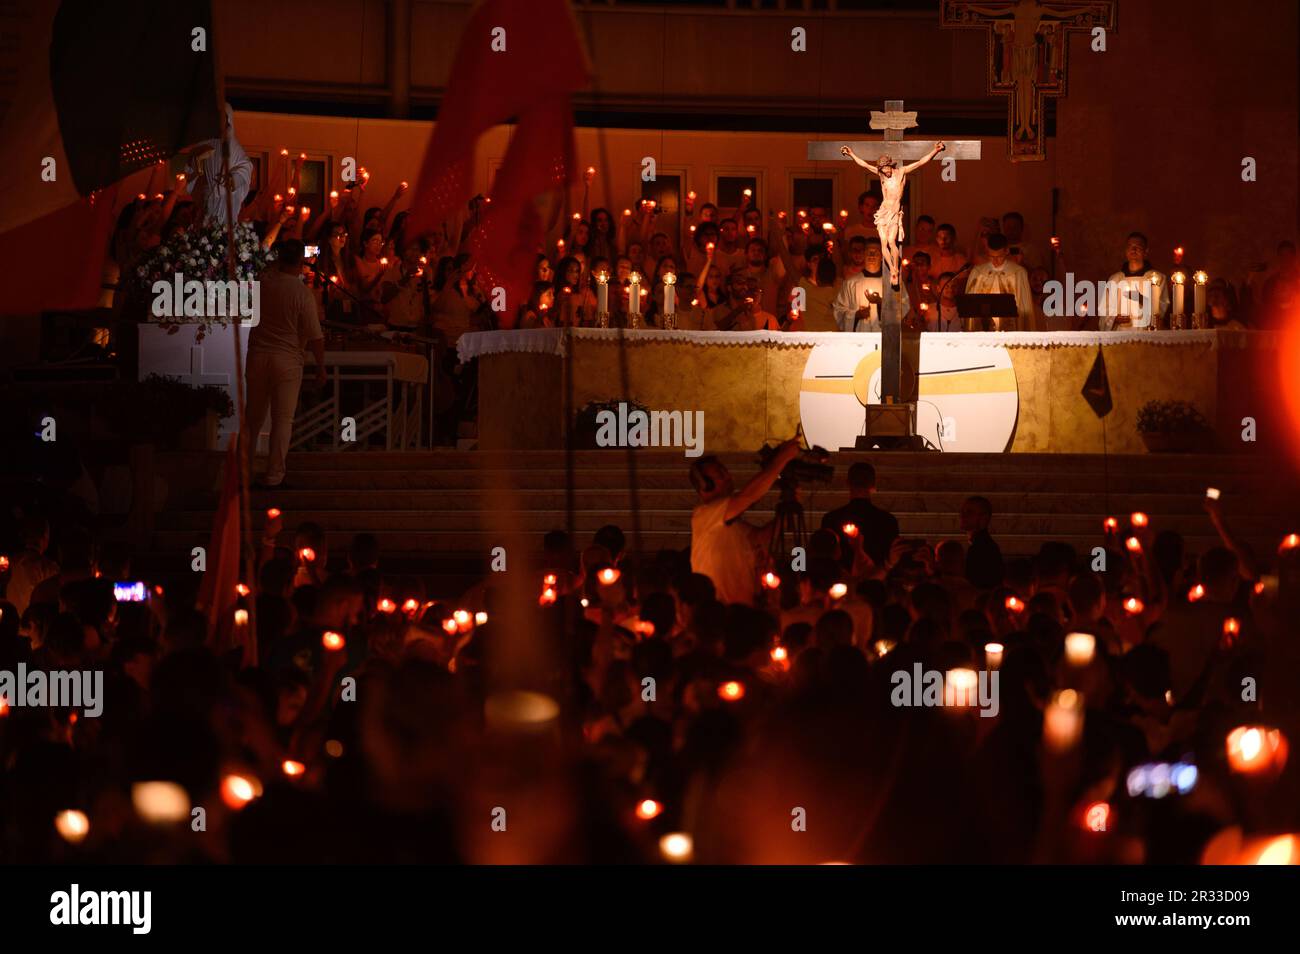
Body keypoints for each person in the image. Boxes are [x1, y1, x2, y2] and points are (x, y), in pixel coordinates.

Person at [245, 239, 325, 490]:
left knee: (253, 418)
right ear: (301, 260)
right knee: (282, 419)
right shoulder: (302, 293)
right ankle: (274, 475)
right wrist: (321, 367)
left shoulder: (263, 282)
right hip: (288, 359)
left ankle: (242, 473)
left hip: (258, 355)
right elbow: (315, 336)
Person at [688, 439, 802, 606]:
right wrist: (781, 459)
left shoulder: (731, 524)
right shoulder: (704, 515)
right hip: (720, 615)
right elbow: (747, 496)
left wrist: (786, 514)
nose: (728, 477)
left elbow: (760, 538)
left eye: (725, 472)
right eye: (720, 474)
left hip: (742, 612)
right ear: (705, 485)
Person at [840, 140, 945, 287]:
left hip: (894, 213)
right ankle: (893, 269)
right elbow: (864, 164)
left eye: (886, 169)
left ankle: (895, 268)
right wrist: (851, 154)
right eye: (882, 170)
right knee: (883, 243)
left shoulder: (900, 172)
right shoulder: (882, 174)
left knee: (891, 241)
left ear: (890, 165)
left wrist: (935, 151)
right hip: (884, 212)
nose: (885, 172)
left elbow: (920, 162)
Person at [820, 462, 900, 571]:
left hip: (839, 581)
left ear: (847, 483)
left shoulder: (830, 519)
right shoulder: (888, 521)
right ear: (873, 484)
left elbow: (825, 558)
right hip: (878, 582)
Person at [833, 238, 908, 332]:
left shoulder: (894, 283)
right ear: (864, 255)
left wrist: (881, 302)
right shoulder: (850, 283)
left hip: (884, 337)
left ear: (882, 256)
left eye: (875, 253)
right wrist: (856, 315)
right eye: (869, 252)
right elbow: (839, 311)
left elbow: (904, 306)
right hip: (860, 338)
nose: (872, 256)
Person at [1099, 231, 1169, 330]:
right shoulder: (1114, 280)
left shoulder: (1157, 278)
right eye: (1130, 246)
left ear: (1146, 251)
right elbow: (1104, 312)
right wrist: (1114, 318)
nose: (1133, 250)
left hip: (1147, 336)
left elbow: (1161, 310)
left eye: (1138, 247)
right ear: (1126, 251)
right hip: (1119, 337)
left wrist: (1142, 299)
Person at [964, 234, 1035, 330]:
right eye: (991, 256)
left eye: (999, 256)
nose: (995, 261)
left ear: (1007, 251)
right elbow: (970, 308)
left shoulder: (1018, 273)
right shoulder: (978, 272)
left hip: (1010, 330)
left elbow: (1024, 308)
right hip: (984, 328)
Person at [960, 496, 1003, 590]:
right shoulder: (982, 545)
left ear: (984, 518)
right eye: (962, 511)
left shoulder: (981, 548)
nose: (962, 515)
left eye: (969, 512)